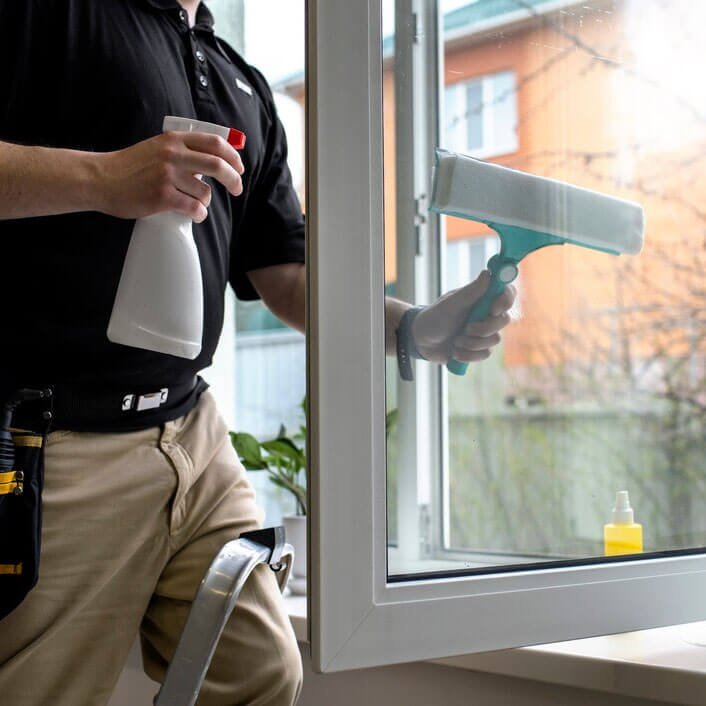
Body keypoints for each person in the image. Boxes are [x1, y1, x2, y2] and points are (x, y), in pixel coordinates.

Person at [0, 1, 516, 704]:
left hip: (194, 436)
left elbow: (286, 276)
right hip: (57, 440)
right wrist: (103, 179)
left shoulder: (238, 80)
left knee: (259, 675)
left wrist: (412, 327)